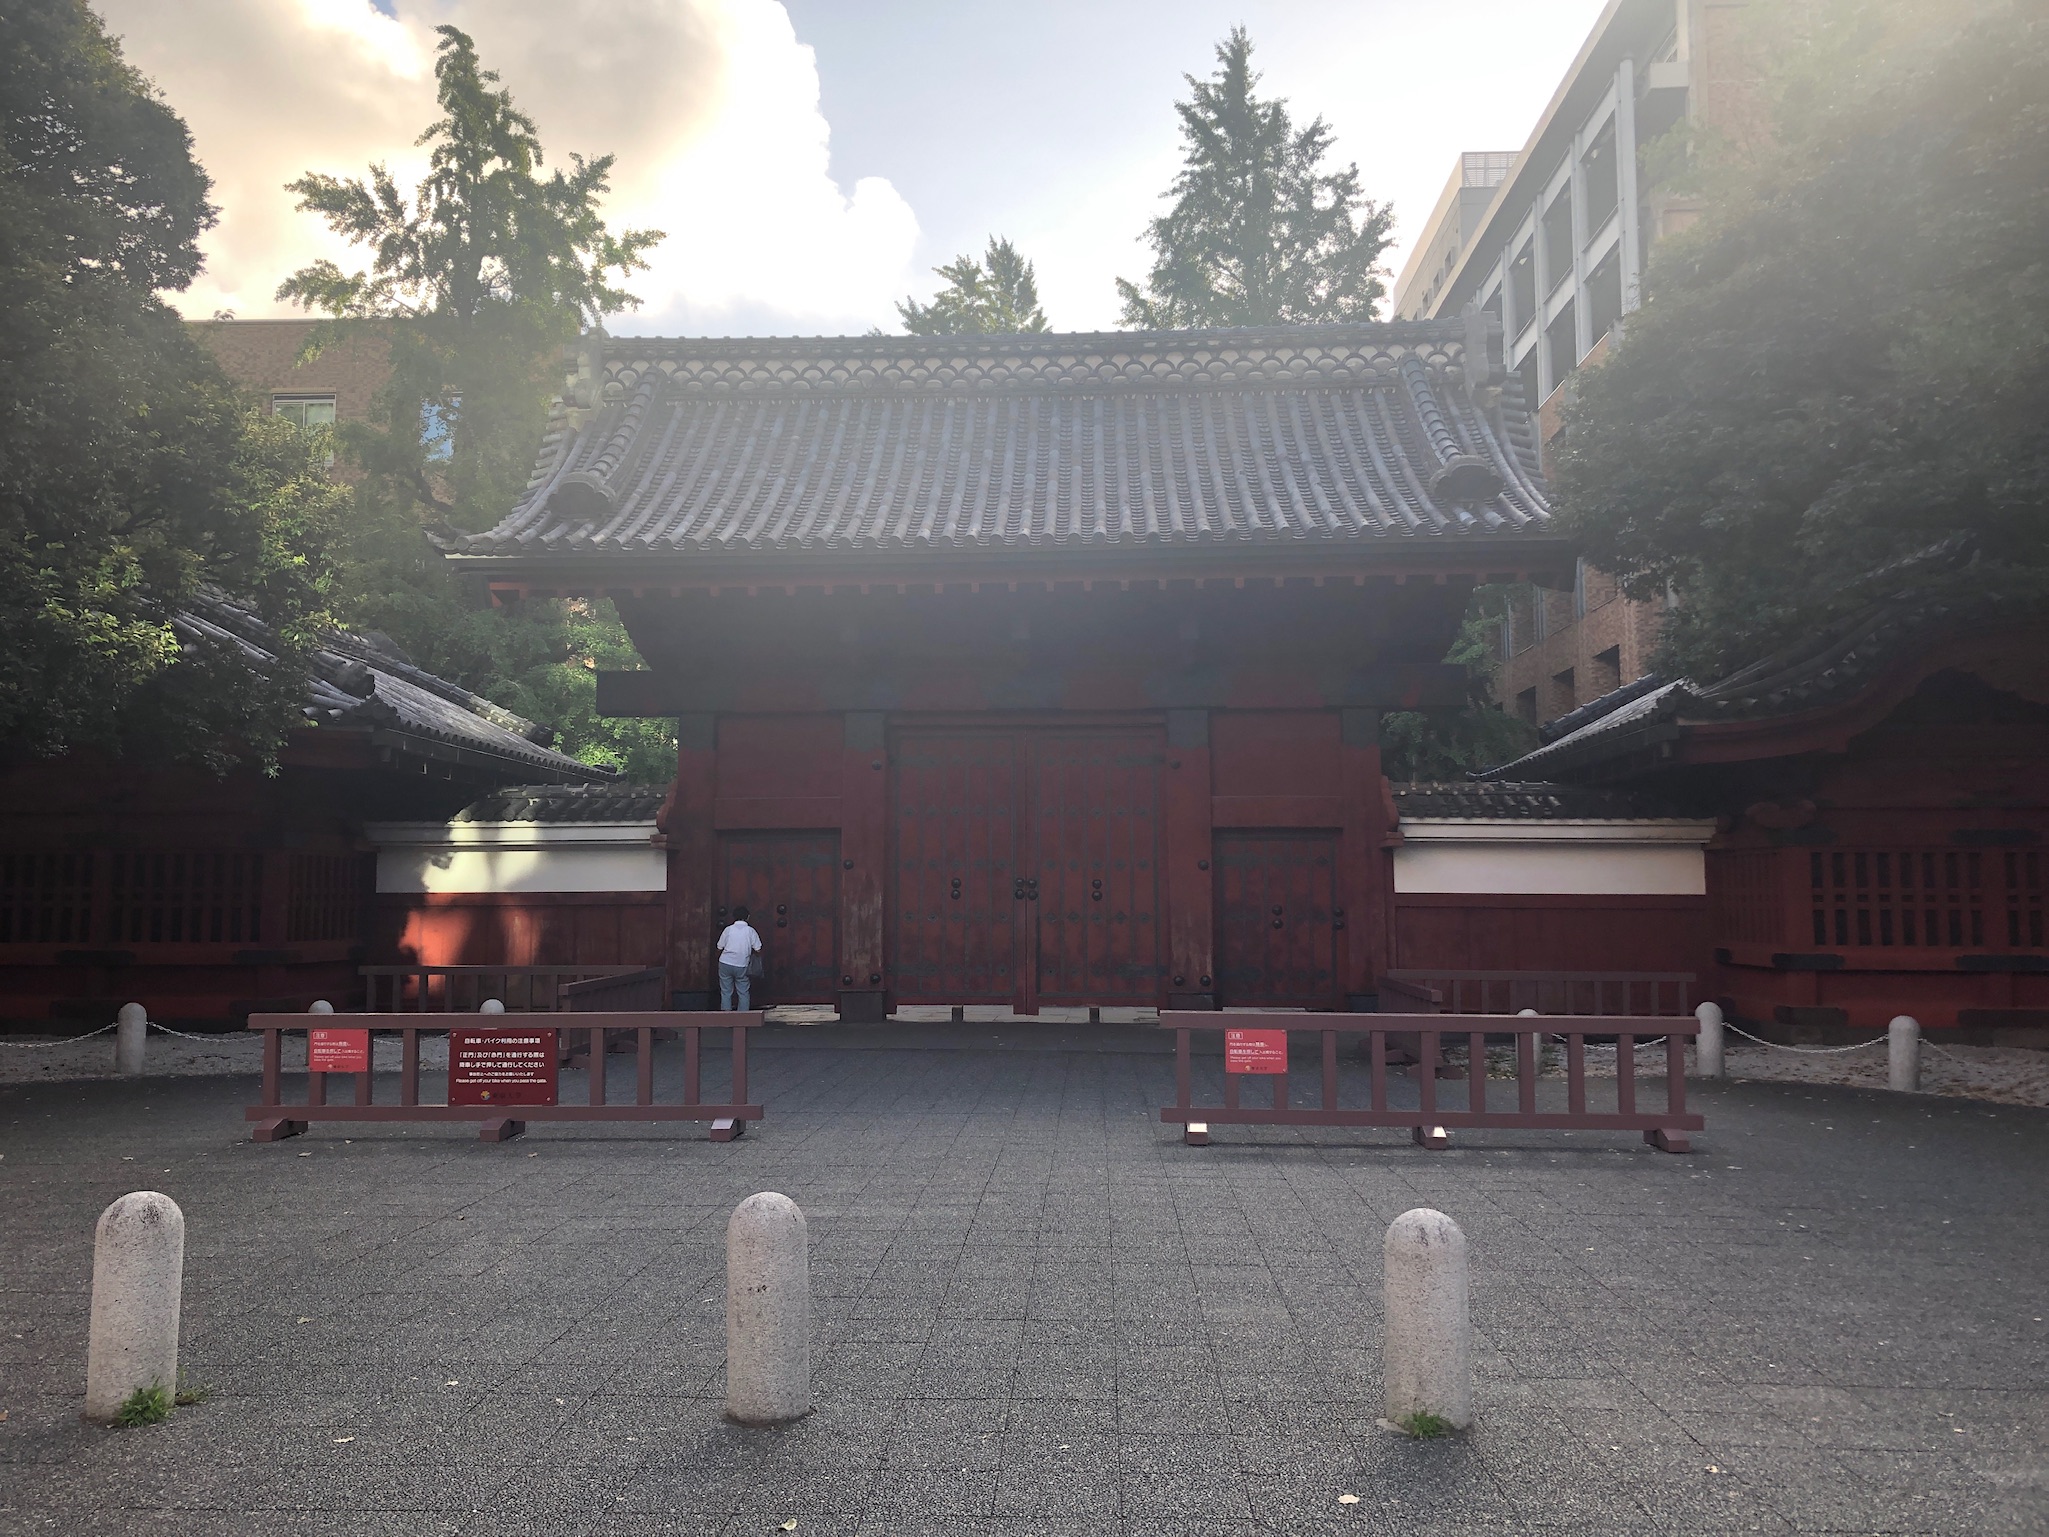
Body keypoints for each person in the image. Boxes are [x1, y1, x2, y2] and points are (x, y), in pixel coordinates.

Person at [716, 905, 763, 1011]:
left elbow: (719, 947)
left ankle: (726, 1014)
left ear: (734, 917)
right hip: (742, 964)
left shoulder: (728, 930)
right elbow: (758, 949)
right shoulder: (750, 931)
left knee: (726, 991)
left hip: (725, 962)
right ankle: (742, 1016)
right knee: (743, 991)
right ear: (748, 917)